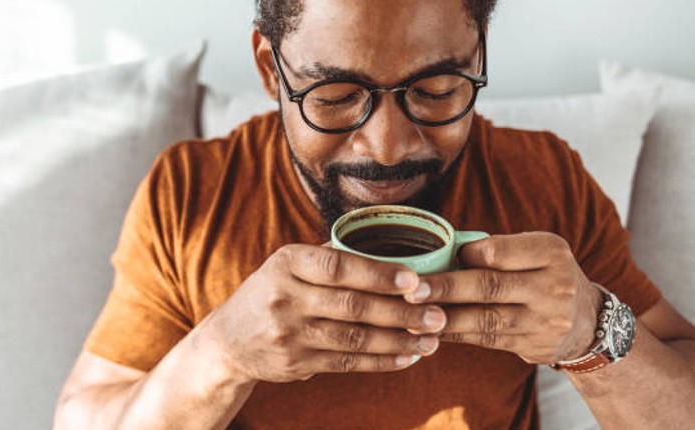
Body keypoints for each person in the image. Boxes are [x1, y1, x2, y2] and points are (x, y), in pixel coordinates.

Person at [54, 0, 695, 428]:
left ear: (478, 58)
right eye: (335, 96)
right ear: (270, 70)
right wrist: (222, 354)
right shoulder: (193, 193)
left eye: (436, 90)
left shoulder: (544, 179)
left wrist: (591, 333)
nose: (387, 146)